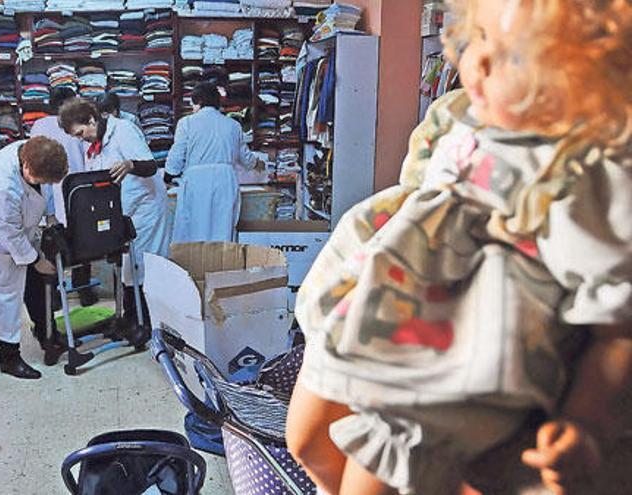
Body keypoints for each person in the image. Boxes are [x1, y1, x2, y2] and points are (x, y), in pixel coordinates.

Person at [285, 1, 632, 494]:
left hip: (440, 361)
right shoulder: (461, 115)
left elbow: (616, 325)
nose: (480, 63)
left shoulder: (584, 174)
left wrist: (587, 423)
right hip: (372, 308)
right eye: (482, 38)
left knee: (373, 472)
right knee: (306, 443)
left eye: (517, 57)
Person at [0, 136, 68, 379]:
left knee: (36, 285)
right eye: (41, 179)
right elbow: (9, 233)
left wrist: (51, 217)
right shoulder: (3, 186)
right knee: (3, 298)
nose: (44, 183)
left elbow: (44, 189)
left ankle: (47, 333)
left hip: (17, 231)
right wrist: (36, 260)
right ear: (27, 168)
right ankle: (8, 358)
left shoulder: (35, 152)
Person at [59, 98, 170, 338]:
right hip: (123, 211)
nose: (80, 139)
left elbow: (150, 166)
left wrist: (130, 164)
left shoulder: (124, 131)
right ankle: (128, 319)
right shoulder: (93, 145)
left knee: (140, 266)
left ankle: (145, 323)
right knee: (126, 267)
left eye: (80, 133)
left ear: (91, 119)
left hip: (146, 209)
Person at [28, 87, 98, 339]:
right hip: (79, 189)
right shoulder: (75, 126)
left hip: (49, 190)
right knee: (84, 241)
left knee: (53, 242)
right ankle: (85, 292)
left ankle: (55, 294)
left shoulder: (38, 125)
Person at [165, 82, 264, 243]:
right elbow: (245, 157)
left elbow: (177, 155)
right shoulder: (233, 125)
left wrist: (168, 177)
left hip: (197, 181)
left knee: (193, 228)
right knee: (222, 227)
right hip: (225, 180)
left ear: (198, 102)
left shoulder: (187, 123)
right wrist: (256, 164)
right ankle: (221, 263)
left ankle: (194, 265)